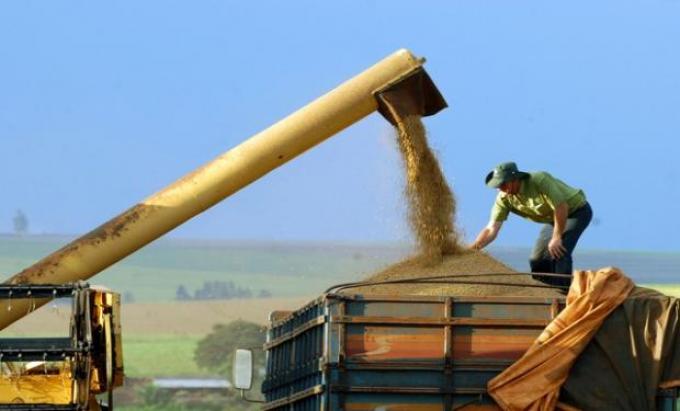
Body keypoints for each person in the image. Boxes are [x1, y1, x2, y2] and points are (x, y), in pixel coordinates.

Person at [469, 161, 592, 287]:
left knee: (558, 251)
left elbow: (561, 207)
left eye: (502, 185)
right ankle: (544, 292)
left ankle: (563, 296)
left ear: (514, 179)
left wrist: (556, 237)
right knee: (537, 259)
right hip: (554, 219)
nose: (500, 189)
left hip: (576, 211)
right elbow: (491, 229)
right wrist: (473, 249)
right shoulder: (503, 198)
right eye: (497, 186)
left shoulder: (539, 180)